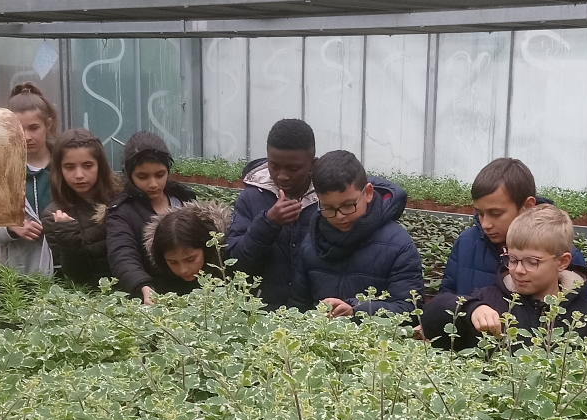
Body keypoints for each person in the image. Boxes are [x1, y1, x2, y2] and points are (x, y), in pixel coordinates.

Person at [421, 205, 587, 358]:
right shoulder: (488, 300)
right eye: (512, 259)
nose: (518, 270)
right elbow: (430, 318)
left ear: (562, 262)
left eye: (533, 262)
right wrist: (470, 309)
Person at [427, 157, 587, 325]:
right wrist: (471, 308)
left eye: (496, 214)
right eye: (480, 213)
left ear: (527, 206)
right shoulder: (467, 243)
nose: (485, 224)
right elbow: (446, 298)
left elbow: (582, 316)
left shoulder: (560, 253)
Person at [288, 150, 422, 318]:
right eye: (328, 208)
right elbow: (297, 306)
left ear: (368, 193)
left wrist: (356, 310)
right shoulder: (312, 241)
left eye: (348, 205)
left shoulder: (398, 244)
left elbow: (410, 310)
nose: (340, 216)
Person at [226, 118, 319, 308]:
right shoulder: (251, 196)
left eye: (293, 168)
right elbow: (235, 263)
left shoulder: (328, 197)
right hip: (262, 312)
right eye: (274, 166)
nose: (282, 176)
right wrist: (268, 223)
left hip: (316, 314)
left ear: (312, 163)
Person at [105, 131, 199, 303]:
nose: (153, 184)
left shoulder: (185, 200)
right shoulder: (121, 212)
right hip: (154, 298)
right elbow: (122, 254)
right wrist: (142, 286)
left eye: (160, 174)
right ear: (129, 175)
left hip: (198, 297)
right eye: (143, 177)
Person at [0, 82, 57, 276]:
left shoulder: (66, 165)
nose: (27, 136)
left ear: (48, 124)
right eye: (19, 129)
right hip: (21, 274)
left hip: (67, 267)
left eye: (34, 127)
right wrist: (11, 227)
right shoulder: (0, 171)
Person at [42, 128, 118, 288]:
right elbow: (77, 275)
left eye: (87, 165)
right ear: (59, 170)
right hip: (92, 299)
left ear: (100, 166)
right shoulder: (54, 215)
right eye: (69, 167)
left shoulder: (119, 199)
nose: (79, 175)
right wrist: (66, 233)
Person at [143, 201, 232, 295]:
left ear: (206, 248)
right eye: (173, 262)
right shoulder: (158, 277)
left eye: (190, 259)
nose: (183, 270)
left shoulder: (229, 264)